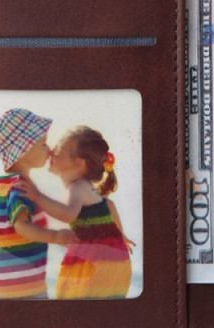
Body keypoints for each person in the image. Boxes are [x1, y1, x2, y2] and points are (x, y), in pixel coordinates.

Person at [16, 126, 134, 299]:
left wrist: (37, 197)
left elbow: (68, 214)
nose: (52, 152)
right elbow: (109, 205)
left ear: (79, 163)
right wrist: (120, 234)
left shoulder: (77, 188)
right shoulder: (87, 188)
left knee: (77, 302)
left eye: (59, 151)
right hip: (115, 259)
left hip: (96, 261)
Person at [0, 108, 75, 299]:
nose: (49, 149)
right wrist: (56, 236)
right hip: (24, 285)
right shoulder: (21, 187)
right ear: (23, 151)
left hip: (3, 283)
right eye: (43, 144)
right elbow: (21, 227)